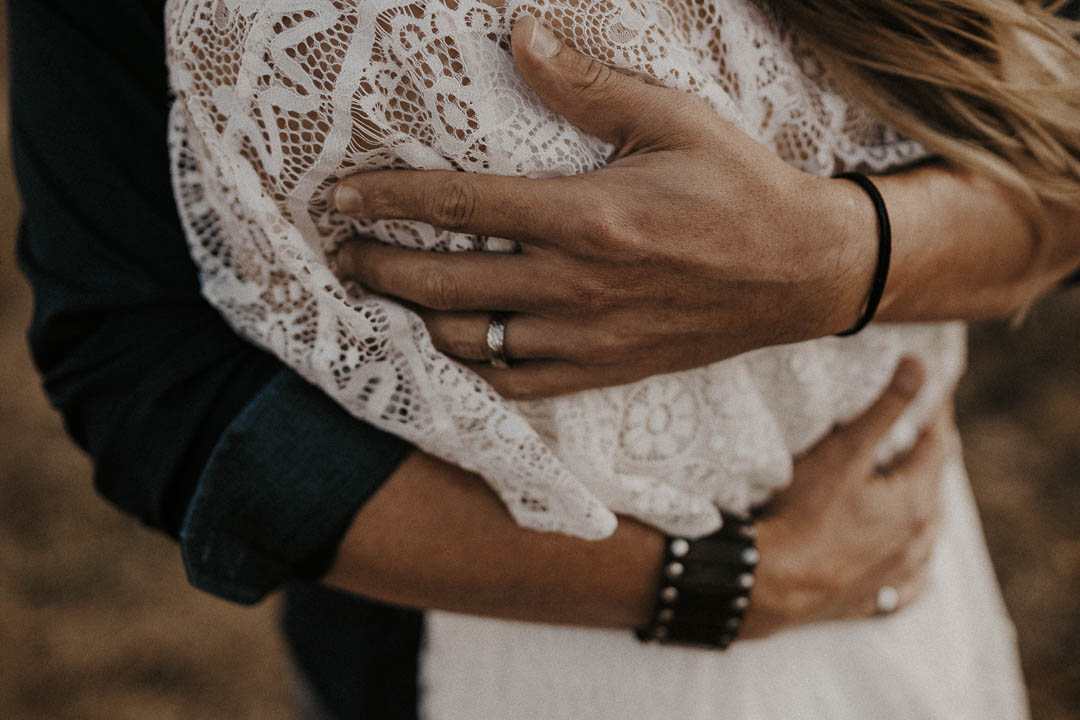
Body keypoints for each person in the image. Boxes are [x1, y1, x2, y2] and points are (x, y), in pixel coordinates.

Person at [9, 1, 1077, 719]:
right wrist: (729, 585)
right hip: (459, 633)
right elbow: (141, 364)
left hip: (893, 576)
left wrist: (840, 257)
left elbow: (1056, 151)